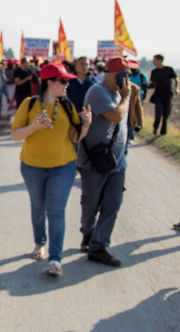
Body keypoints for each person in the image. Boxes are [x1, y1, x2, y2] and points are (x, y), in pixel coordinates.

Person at [11, 62, 91, 276]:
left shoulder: (67, 106)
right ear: (49, 82)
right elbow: (15, 134)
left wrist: (85, 126)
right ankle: (40, 243)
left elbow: (75, 137)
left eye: (67, 81)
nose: (67, 85)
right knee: (38, 206)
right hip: (32, 167)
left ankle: (55, 259)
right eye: (63, 81)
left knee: (56, 211)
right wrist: (35, 126)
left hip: (63, 167)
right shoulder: (29, 105)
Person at [77, 56, 136, 267]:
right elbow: (116, 116)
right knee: (91, 204)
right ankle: (88, 232)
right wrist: (126, 97)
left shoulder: (117, 94)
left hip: (117, 162)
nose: (127, 80)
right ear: (113, 75)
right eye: (124, 75)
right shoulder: (98, 92)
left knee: (113, 203)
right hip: (95, 162)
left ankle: (98, 246)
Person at [149, 54, 178, 136]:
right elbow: (153, 83)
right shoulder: (154, 72)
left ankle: (163, 132)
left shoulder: (169, 69)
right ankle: (155, 127)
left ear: (160, 60)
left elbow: (176, 79)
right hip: (158, 96)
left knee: (166, 114)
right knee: (158, 113)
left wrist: (177, 88)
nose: (153, 62)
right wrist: (148, 85)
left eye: (154, 60)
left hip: (168, 95)